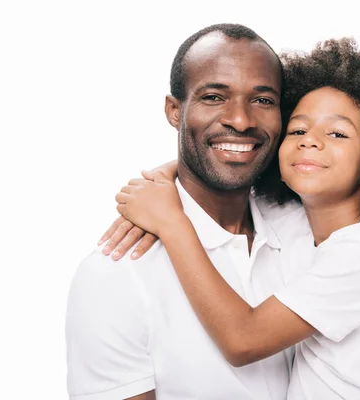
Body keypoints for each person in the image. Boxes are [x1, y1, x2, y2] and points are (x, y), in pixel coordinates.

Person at [103, 38, 360, 399]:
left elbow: (243, 340)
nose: (311, 141)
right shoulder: (297, 219)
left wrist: (171, 221)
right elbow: (222, 164)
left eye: (337, 133)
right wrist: (167, 179)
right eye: (297, 130)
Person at [65, 23, 293, 400]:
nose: (241, 120)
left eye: (263, 100)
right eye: (214, 97)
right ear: (174, 110)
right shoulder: (119, 273)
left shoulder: (307, 233)